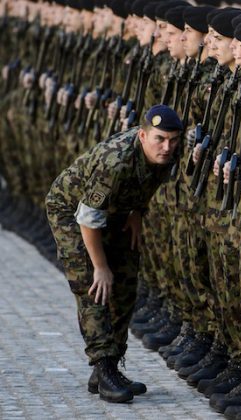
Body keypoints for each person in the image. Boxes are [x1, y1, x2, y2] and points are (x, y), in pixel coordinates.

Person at [45, 104, 183, 403]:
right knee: (95, 287)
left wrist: (137, 211)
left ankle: (110, 367)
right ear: (142, 135)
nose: (167, 147)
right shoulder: (115, 162)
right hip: (72, 213)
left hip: (116, 211)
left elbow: (146, 183)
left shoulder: (169, 152)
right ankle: (104, 367)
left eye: (173, 140)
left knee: (126, 284)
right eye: (160, 139)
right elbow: (87, 217)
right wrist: (99, 266)